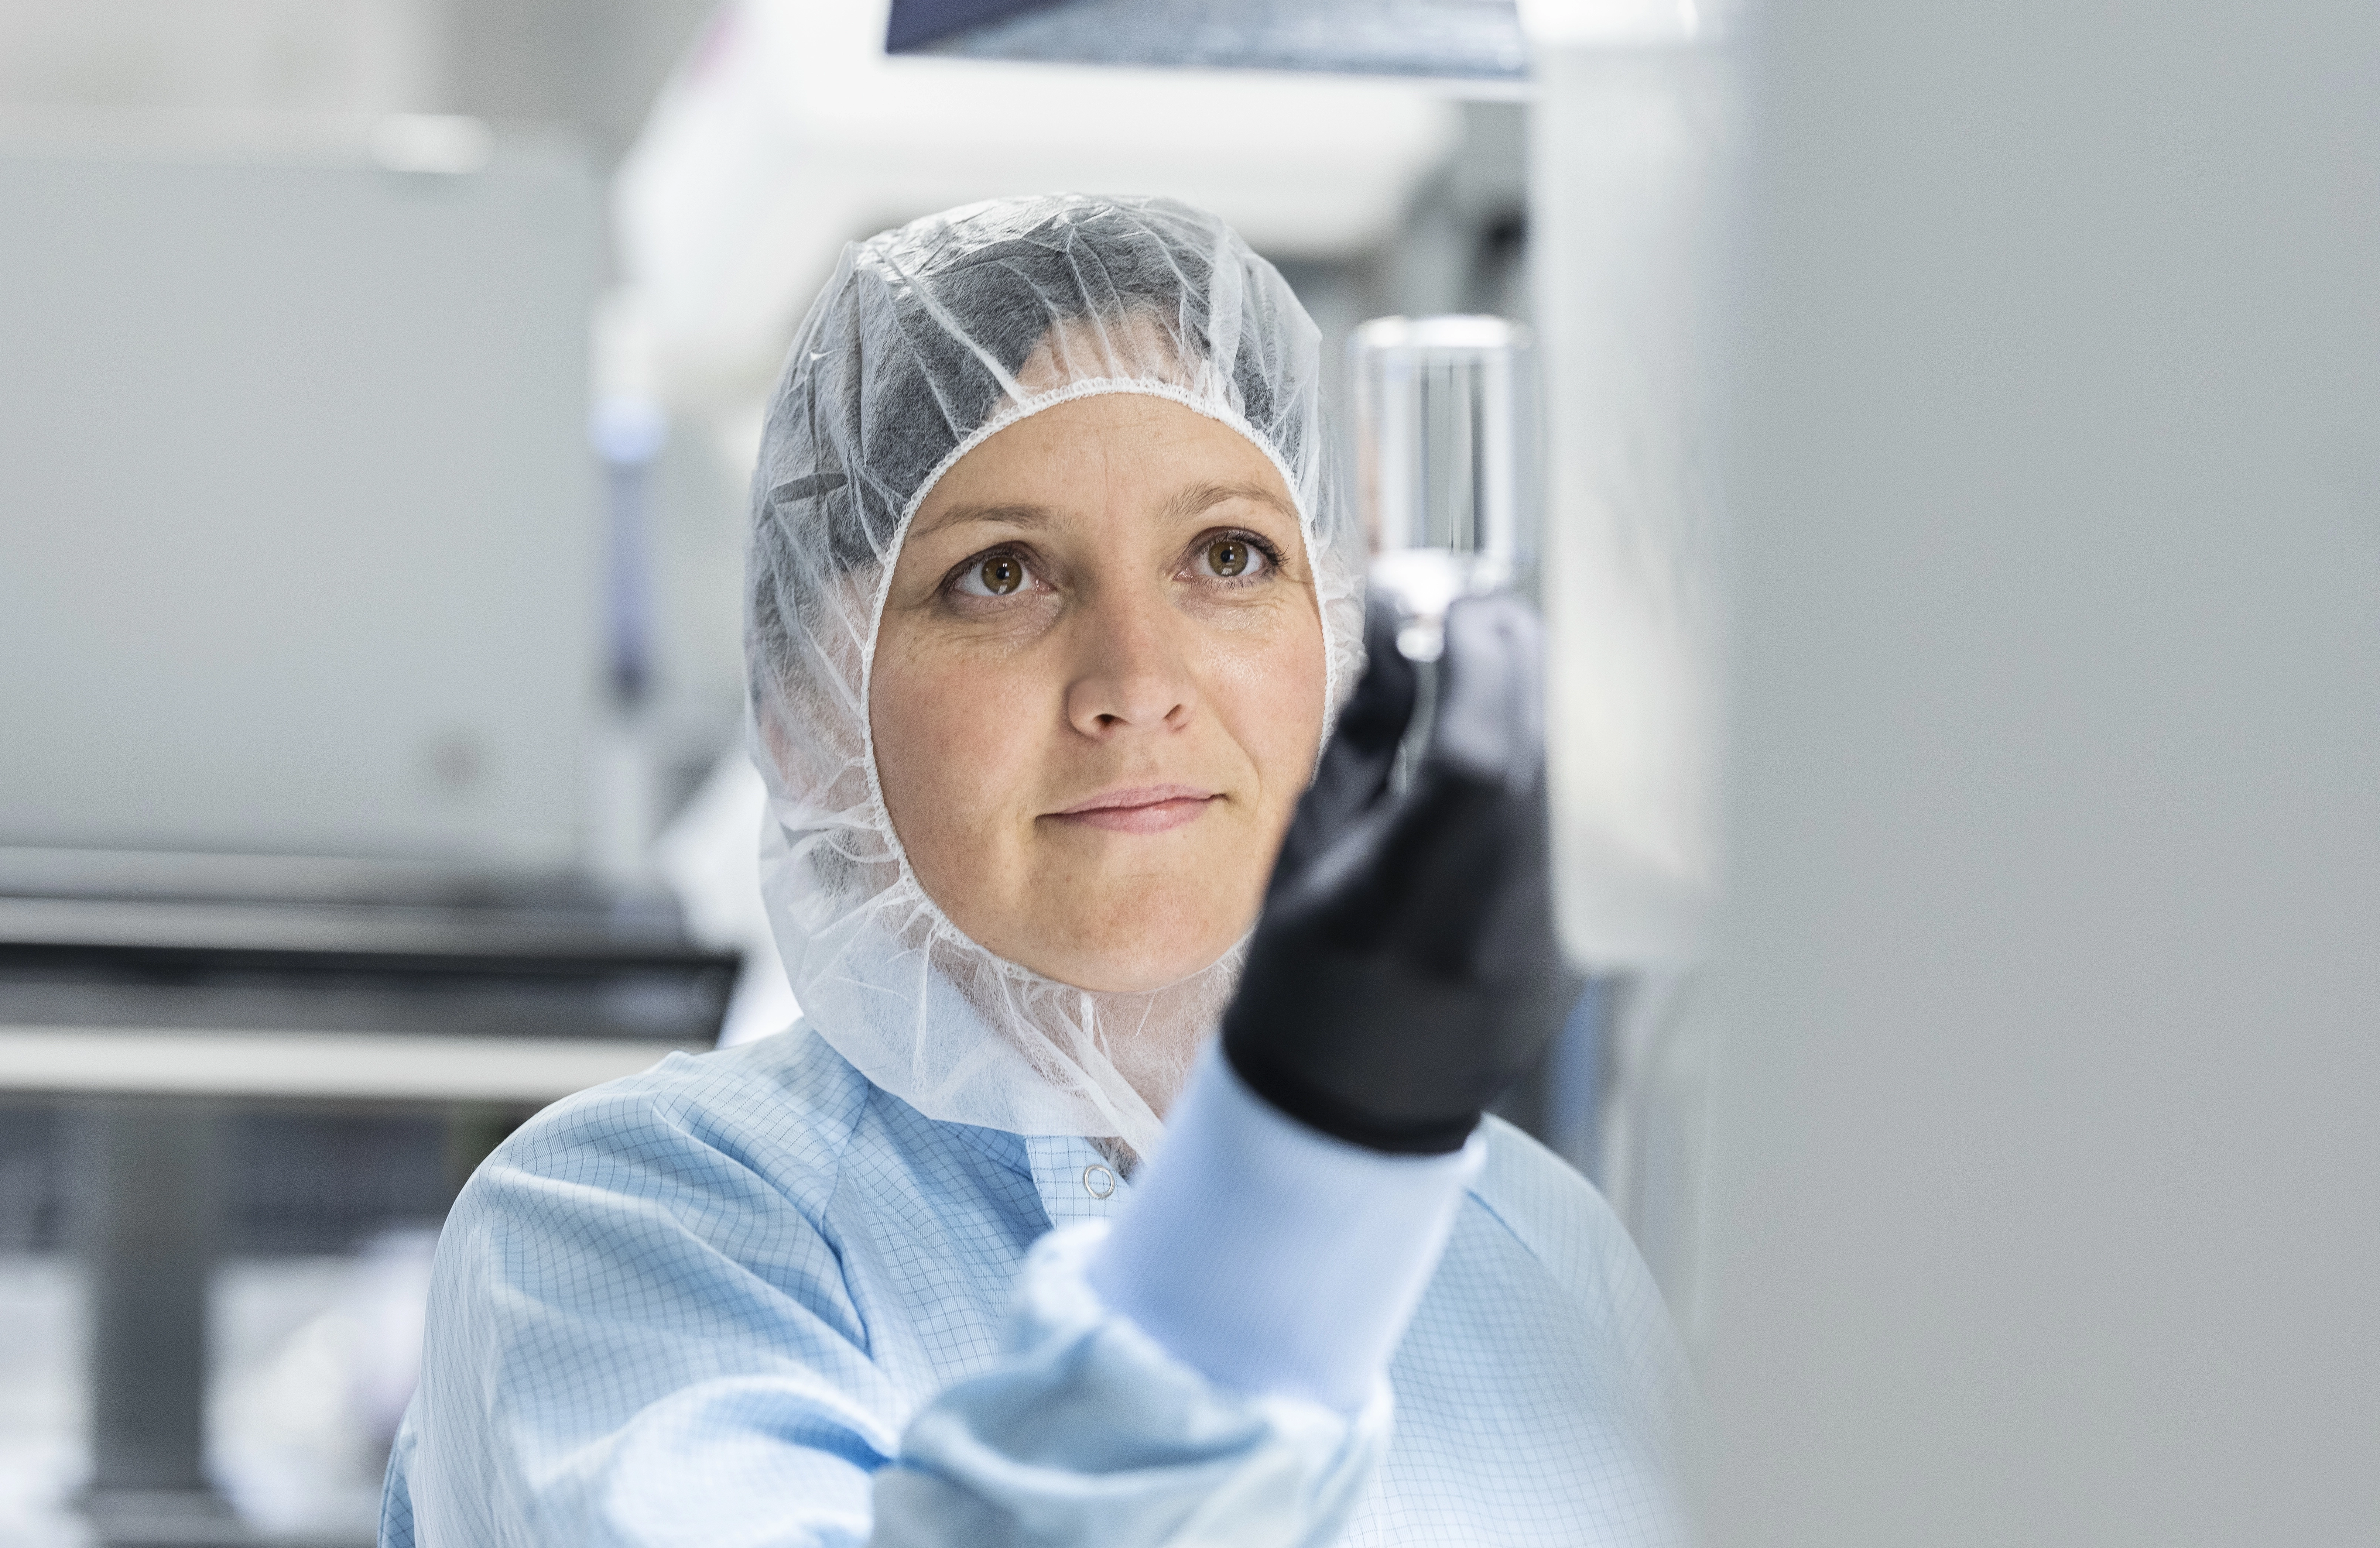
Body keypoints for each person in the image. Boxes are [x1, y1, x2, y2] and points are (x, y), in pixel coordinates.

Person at [380, 195, 1692, 1548]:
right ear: (807, 713)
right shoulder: (631, 1227)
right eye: (999, 574)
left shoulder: (1541, 1245)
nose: (1136, 684)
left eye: (1228, 555)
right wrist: (1313, 1151)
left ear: (1341, 640)